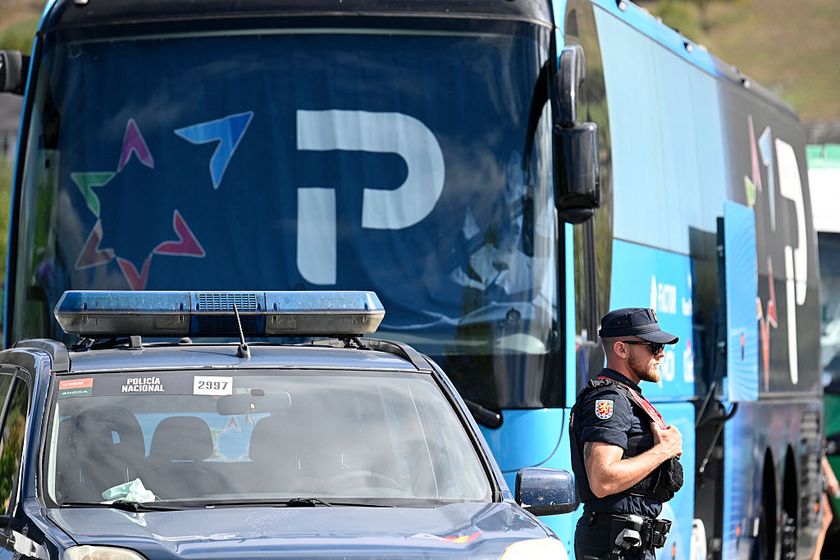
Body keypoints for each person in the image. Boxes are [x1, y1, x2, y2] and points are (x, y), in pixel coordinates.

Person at [570, 308, 684, 560]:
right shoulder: (609, 400)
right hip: (614, 547)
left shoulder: (626, 396)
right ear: (621, 349)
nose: (662, 353)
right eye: (653, 346)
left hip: (626, 544)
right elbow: (603, 480)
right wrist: (662, 450)